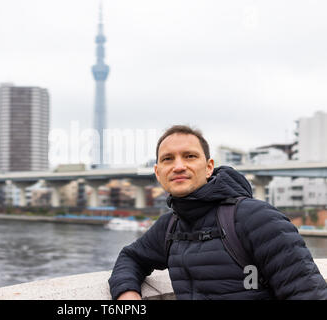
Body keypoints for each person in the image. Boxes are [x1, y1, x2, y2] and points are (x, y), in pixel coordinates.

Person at [108, 125, 327, 300]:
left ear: (209, 166)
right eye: (168, 159)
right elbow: (131, 257)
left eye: (190, 156)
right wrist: (127, 293)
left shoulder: (256, 218)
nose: (178, 166)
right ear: (158, 172)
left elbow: (308, 292)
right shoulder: (170, 226)